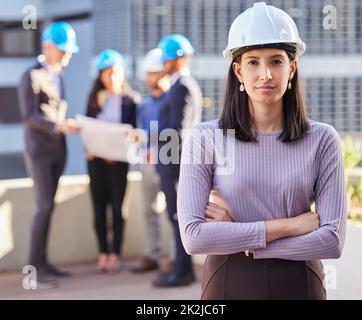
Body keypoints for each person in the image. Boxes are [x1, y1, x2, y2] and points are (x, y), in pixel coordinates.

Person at [177, 2, 347, 299]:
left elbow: (331, 241)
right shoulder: (205, 138)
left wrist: (245, 241)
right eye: (253, 62)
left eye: (276, 61)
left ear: (292, 68)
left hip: (300, 283)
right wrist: (290, 225)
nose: (265, 74)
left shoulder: (323, 139)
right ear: (238, 71)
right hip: (228, 281)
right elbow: (194, 237)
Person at [18, 22, 80, 288]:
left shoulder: (58, 75)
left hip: (57, 152)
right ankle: (33, 270)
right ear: (49, 47)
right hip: (39, 153)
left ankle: (43, 262)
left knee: (49, 207)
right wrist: (57, 126)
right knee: (43, 207)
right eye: (64, 50)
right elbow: (28, 116)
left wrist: (66, 125)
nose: (68, 56)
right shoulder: (30, 75)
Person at [152, 35, 203, 287]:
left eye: (167, 58)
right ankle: (182, 270)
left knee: (178, 217)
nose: (163, 62)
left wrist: (149, 135)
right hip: (170, 162)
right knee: (174, 217)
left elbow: (179, 130)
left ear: (180, 58)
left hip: (176, 164)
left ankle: (183, 272)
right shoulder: (176, 85)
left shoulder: (183, 86)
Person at [85, 49, 139, 274]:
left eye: (114, 72)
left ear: (122, 73)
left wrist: (121, 146)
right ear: (100, 76)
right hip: (96, 162)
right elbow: (88, 127)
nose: (111, 77)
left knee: (118, 209)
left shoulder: (131, 100)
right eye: (106, 73)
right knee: (99, 209)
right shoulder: (94, 99)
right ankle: (103, 253)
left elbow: (135, 132)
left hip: (118, 162)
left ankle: (115, 254)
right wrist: (90, 147)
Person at [131, 48, 175, 273]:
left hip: (169, 161)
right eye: (147, 74)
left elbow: (175, 130)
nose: (149, 78)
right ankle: (152, 255)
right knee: (149, 210)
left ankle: (176, 258)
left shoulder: (172, 99)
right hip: (148, 163)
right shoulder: (145, 105)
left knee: (173, 211)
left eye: (153, 73)